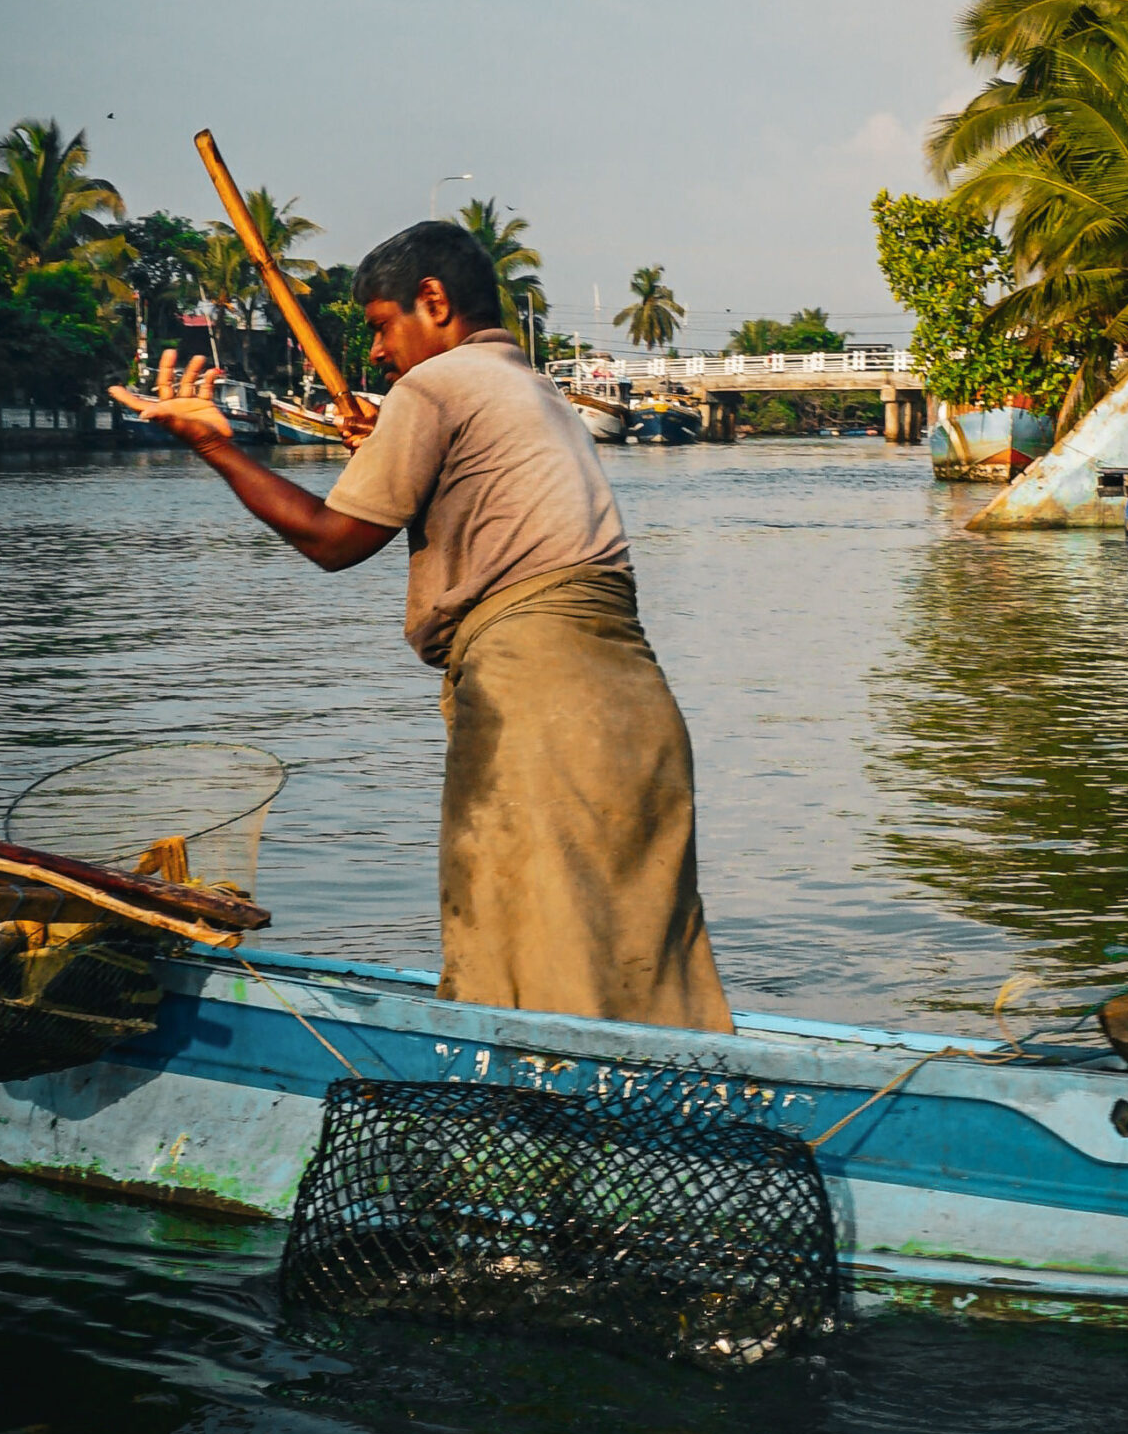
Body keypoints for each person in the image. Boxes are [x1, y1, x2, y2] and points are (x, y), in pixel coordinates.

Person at [111, 220, 732, 1035]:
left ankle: (529, 1129)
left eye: (379, 324)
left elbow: (333, 542)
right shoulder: (535, 390)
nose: (374, 352)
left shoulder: (437, 387)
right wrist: (390, 444)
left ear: (432, 302)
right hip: (630, 707)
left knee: (518, 940)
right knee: (634, 958)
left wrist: (213, 447)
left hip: (542, 699)